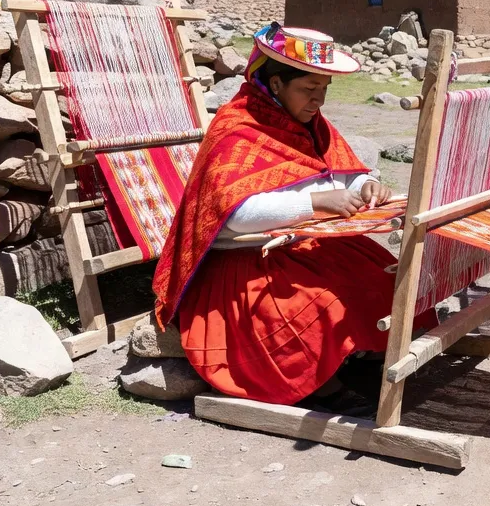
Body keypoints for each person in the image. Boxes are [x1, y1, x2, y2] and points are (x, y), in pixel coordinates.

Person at [151, 24, 403, 410]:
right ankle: (321, 388)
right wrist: (319, 203)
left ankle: (357, 353)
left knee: (382, 271)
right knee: (320, 303)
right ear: (275, 83)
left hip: (294, 244)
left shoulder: (309, 123)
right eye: (308, 89)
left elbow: (346, 171)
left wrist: (369, 184)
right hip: (242, 262)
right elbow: (235, 216)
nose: (318, 100)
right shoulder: (237, 131)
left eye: (324, 90)